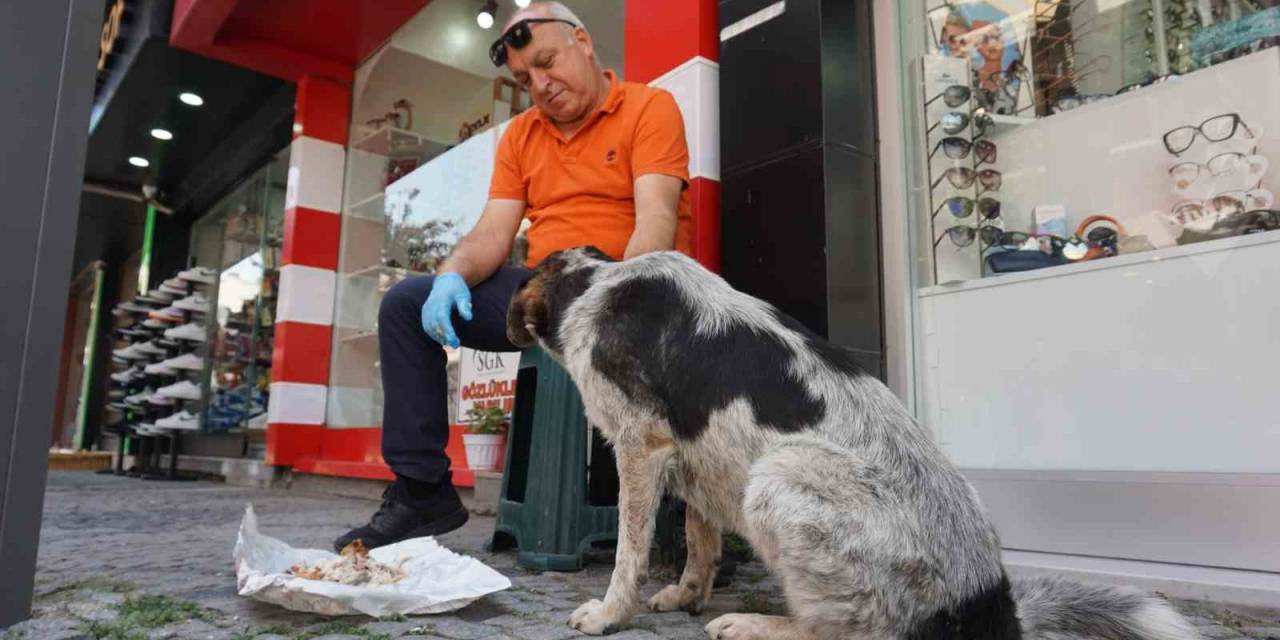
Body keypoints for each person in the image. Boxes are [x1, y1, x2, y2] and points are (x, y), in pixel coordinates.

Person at [335, 1, 694, 551]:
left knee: (637, 286)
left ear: (583, 42)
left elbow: (656, 224)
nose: (542, 84)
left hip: (635, 285)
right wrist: (452, 274)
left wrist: (612, 306)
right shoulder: (522, 136)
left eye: (548, 62)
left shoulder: (649, 107)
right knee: (406, 304)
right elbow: (491, 235)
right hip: (549, 290)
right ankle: (422, 491)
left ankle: (670, 512)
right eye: (526, 78)